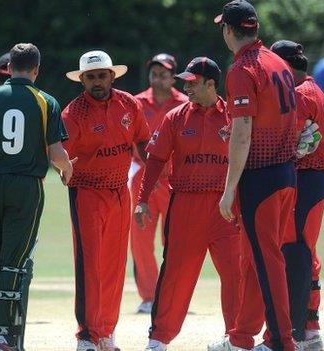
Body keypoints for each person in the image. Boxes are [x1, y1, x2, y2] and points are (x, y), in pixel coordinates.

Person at [0, 43, 72, 351]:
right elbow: (56, 153)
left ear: (8, 67)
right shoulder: (46, 101)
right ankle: (5, 334)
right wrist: (68, 169)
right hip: (26, 187)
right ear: (36, 69)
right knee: (13, 259)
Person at [133, 57, 240, 351]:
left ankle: (236, 337)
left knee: (235, 272)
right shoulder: (176, 117)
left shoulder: (234, 116)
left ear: (210, 84)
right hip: (186, 205)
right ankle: (158, 339)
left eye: (192, 82)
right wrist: (142, 200)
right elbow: (155, 159)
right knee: (176, 275)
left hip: (225, 208)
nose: (186, 87)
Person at [209, 1, 298, 350]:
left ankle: (280, 340)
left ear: (229, 30)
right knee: (258, 258)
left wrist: (229, 189)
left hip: (260, 177)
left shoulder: (242, 69)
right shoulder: (277, 61)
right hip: (285, 172)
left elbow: (242, 132)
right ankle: (242, 337)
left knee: (266, 261)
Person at [62, 50, 150, 351]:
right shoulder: (73, 113)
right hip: (86, 192)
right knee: (90, 265)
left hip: (119, 191)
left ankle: (107, 332)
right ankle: (86, 335)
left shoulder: (129, 104)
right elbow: (61, 156)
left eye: (102, 75)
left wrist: (157, 166)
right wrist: (65, 168)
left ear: (112, 75)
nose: (97, 82)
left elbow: (142, 141)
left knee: (114, 265)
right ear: (82, 80)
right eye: (91, 77)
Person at [271, 40, 324, 351]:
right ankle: (309, 326)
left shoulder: (300, 94)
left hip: (305, 179)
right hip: (314, 179)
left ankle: (299, 331)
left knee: (297, 252)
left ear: (285, 66)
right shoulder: (316, 88)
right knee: (305, 252)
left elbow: (287, 142)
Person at [131, 53, 187, 314]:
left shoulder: (185, 103)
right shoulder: (137, 103)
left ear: (173, 76)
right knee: (140, 240)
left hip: (175, 180)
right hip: (143, 177)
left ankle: (172, 294)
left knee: (175, 240)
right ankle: (149, 296)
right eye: (154, 73)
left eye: (163, 74)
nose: (157, 78)